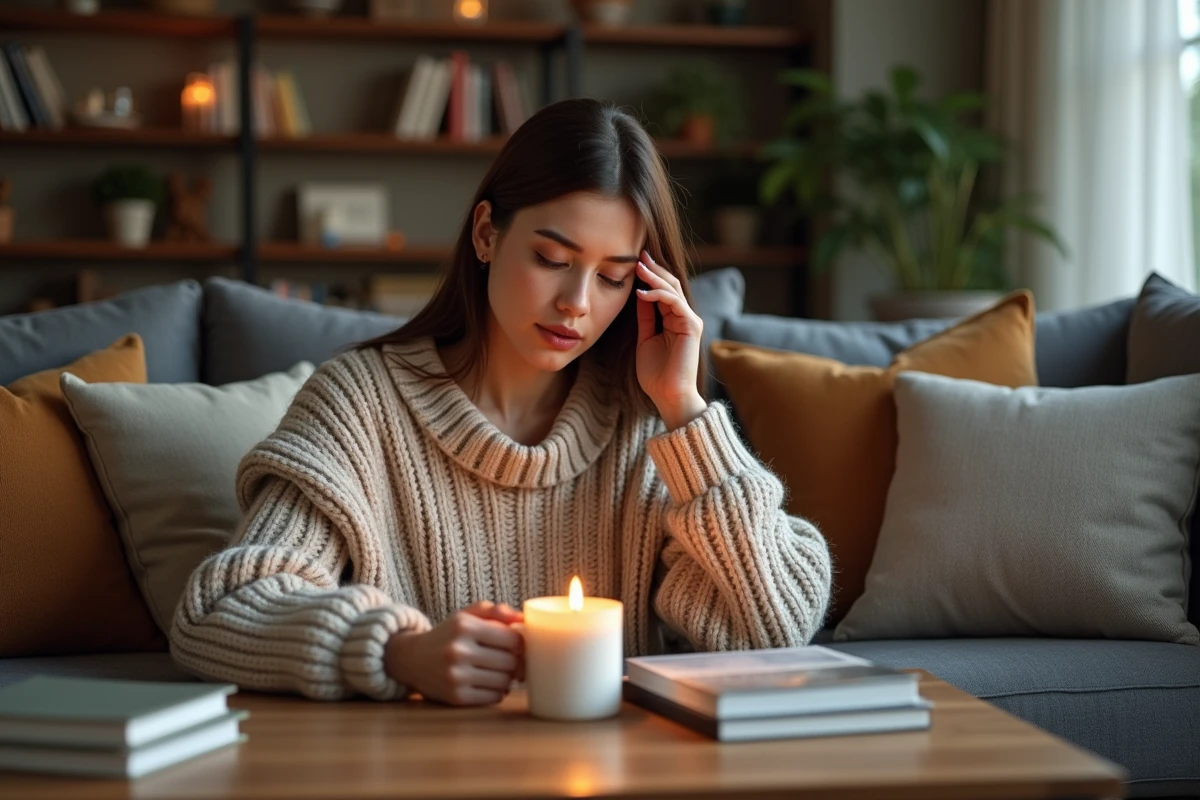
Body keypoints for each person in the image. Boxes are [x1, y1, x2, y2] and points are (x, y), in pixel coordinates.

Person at [170, 98, 832, 705]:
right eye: (551, 258)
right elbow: (218, 612)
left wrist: (684, 410)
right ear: (486, 234)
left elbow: (772, 632)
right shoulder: (360, 405)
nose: (577, 303)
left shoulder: (651, 430)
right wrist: (395, 651)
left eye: (612, 277)